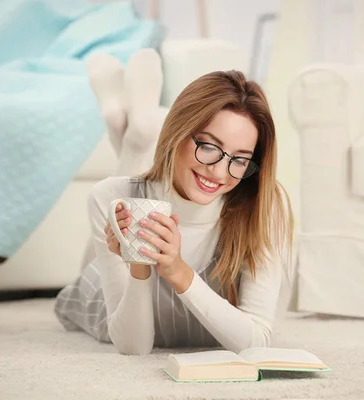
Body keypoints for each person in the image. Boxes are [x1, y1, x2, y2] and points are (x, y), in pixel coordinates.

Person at [54, 51, 294, 355]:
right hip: (112, 297)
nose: (219, 172)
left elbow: (256, 343)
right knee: (118, 211)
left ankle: (132, 136)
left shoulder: (263, 206)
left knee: (132, 193)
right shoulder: (107, 195)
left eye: (240, 159)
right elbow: (133, 347)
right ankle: (132, 135)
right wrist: (139, 266)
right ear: (178, 133)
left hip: (149, 196)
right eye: (208, 146)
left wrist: (178, 272)